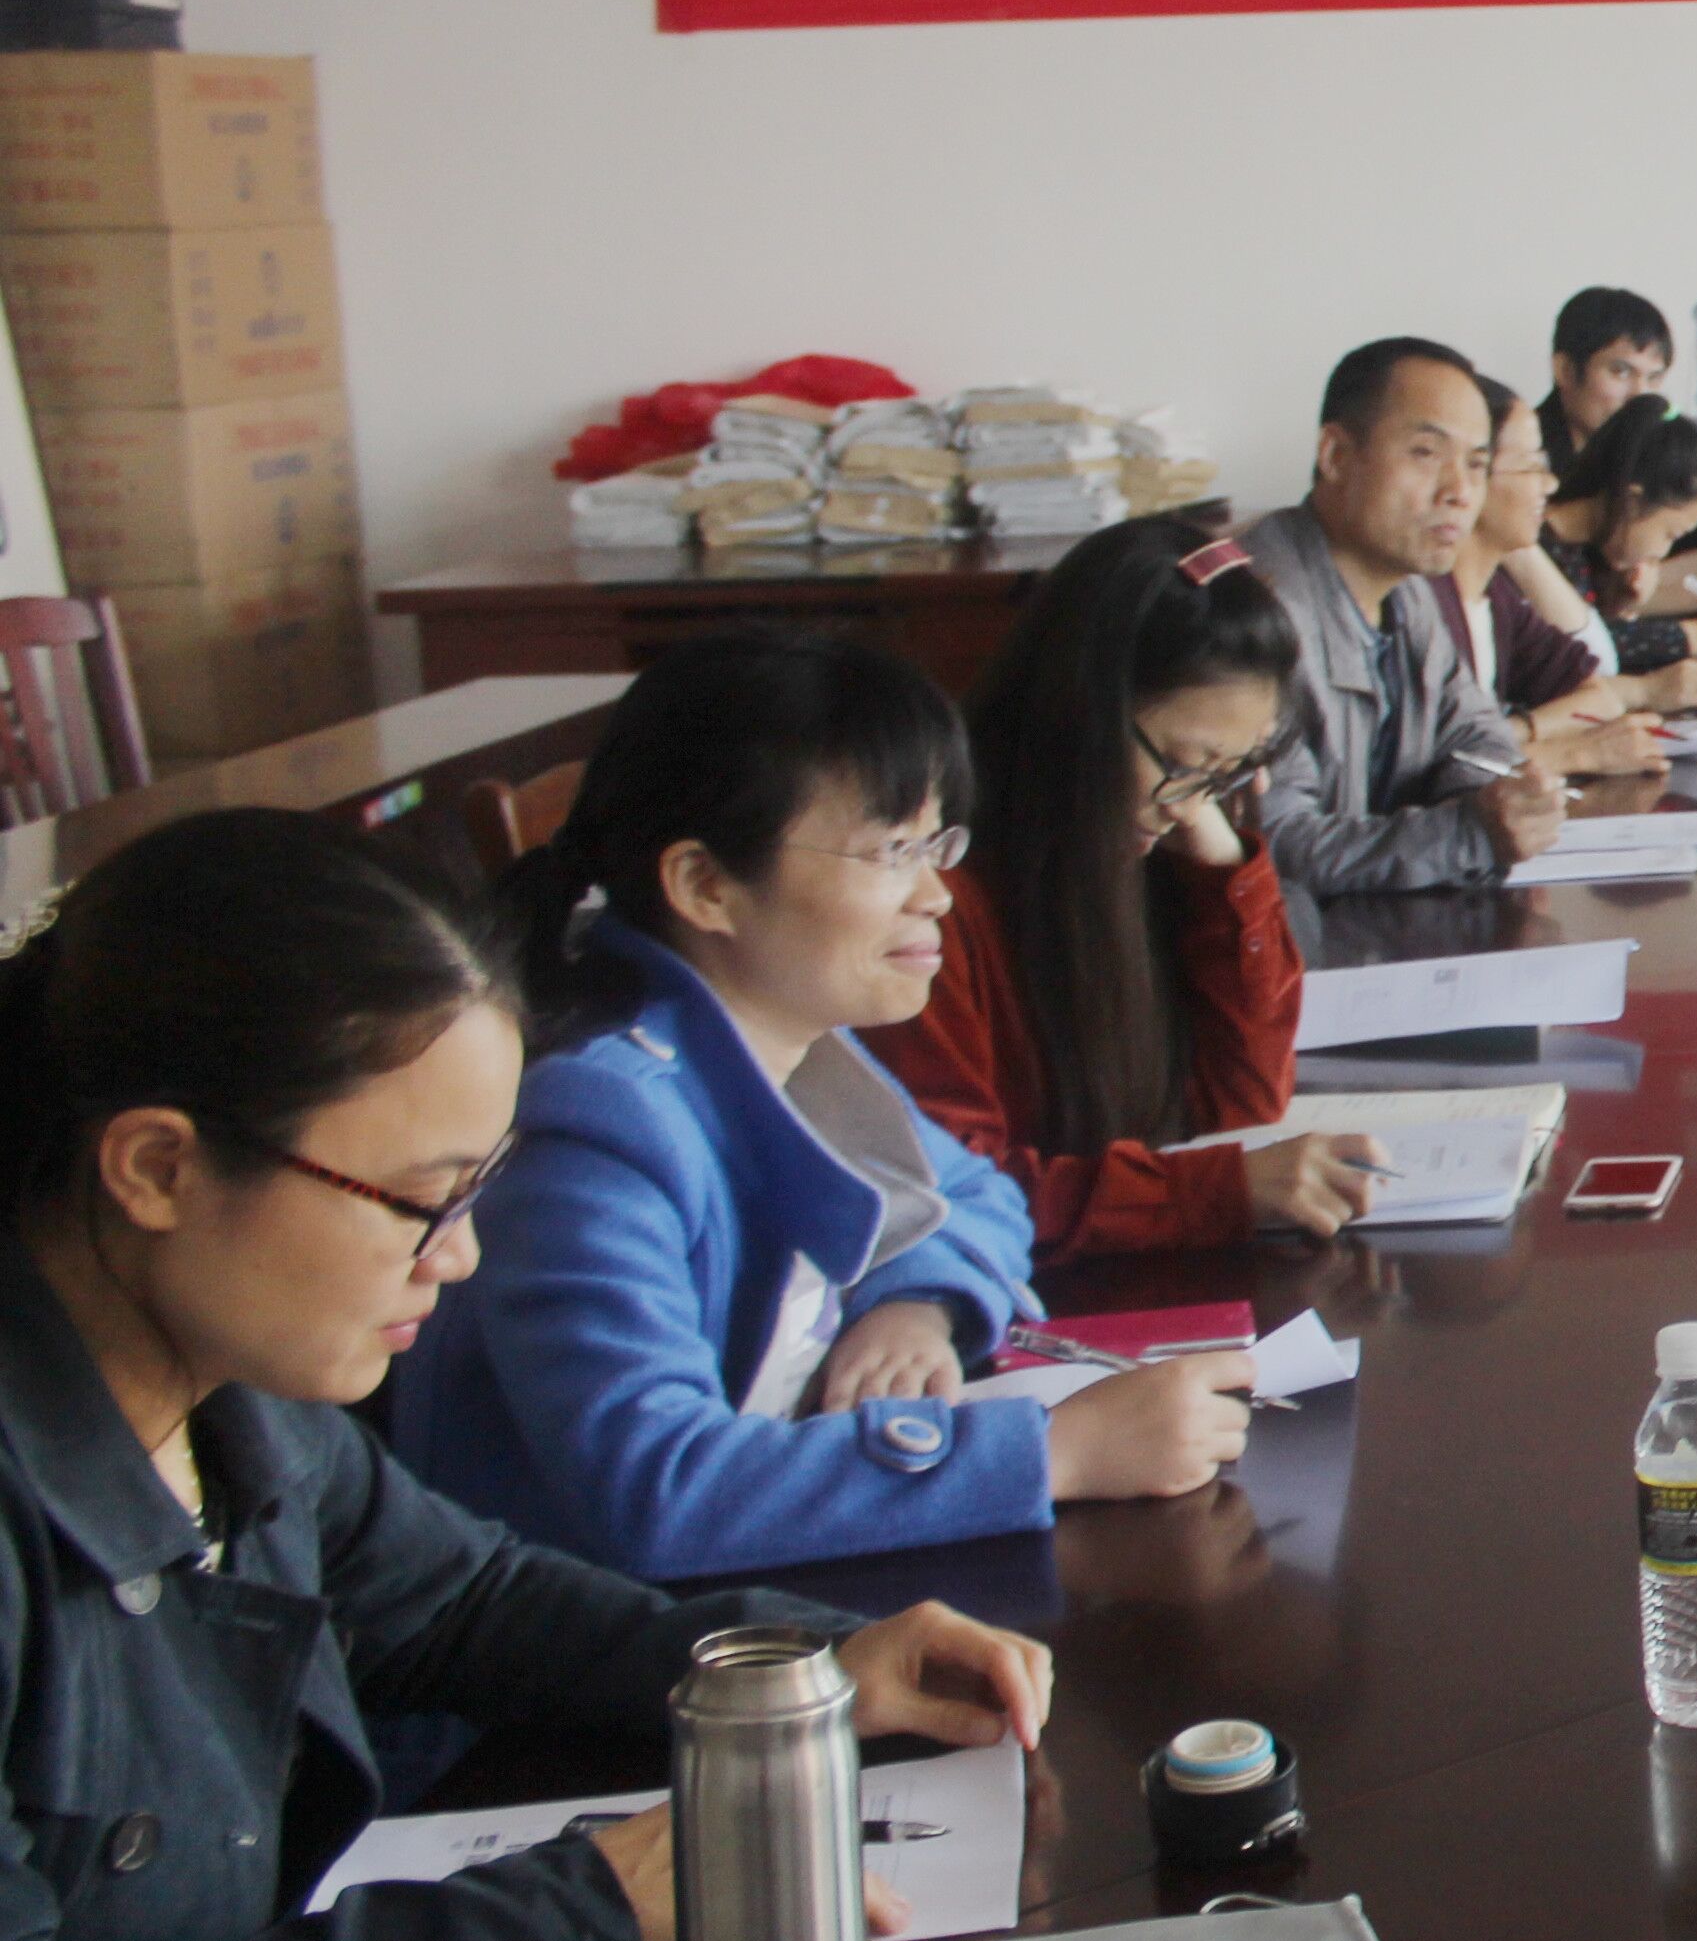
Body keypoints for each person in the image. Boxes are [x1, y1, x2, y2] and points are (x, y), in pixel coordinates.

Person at [0, 811, 1052, 1941]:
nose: (464, 1258)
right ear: (157, 1167)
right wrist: (578, 1912)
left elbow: (462, 1602)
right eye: (421, 1203)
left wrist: (804, 1668)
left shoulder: (227, 1387)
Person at [392, 636, 1259, 1575]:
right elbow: (659, 1485)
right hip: (590, 1644)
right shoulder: (592, 1129)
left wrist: (914, 1304)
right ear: (706, 886)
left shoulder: (790, 1041)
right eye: (891, 852)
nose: (937, 895)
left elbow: (979, 1195)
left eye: (937, 844)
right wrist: (1057, 1453)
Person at [866, 521, 1385, 1259]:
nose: (1188, 805)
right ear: (1080, 712)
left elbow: (1245, 1107)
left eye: (1226, 775)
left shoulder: (1152, 853)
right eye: (1186, 765)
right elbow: (951, 1195)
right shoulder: (933, 899)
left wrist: (1222, 869)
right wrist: (1213, 1190)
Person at [1238, 338, 1568, 898]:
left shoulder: (1407, 590)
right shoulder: (1257, 614)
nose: (1460, 492)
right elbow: (1275, 848)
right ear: (1336, 456)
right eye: (1425, 453)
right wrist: (1466, 834)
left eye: (1477, 464)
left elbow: (1474, 732)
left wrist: (1494, 804)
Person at [1448, 373, 1690, 778]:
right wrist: (1567, 753)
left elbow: (1598, 692)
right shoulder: (1423, 606)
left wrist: (1514, 734)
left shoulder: (1498, 598)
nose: (1550, 484)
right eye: (1531, 466)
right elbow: (1439, 767)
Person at [1541, 398, 1697, 681]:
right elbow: (1588, 648)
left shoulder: (1581, 551)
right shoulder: (1535, 549)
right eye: (1671, 535)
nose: (1662, 552)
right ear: (1631, 502)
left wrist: (1624, 602)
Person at [1537, 284, 1676, 478]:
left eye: (1653, 377)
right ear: (1565, 370)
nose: (1640, 395)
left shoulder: (1653, 461)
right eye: (1621, 372)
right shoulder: (1520, 460)